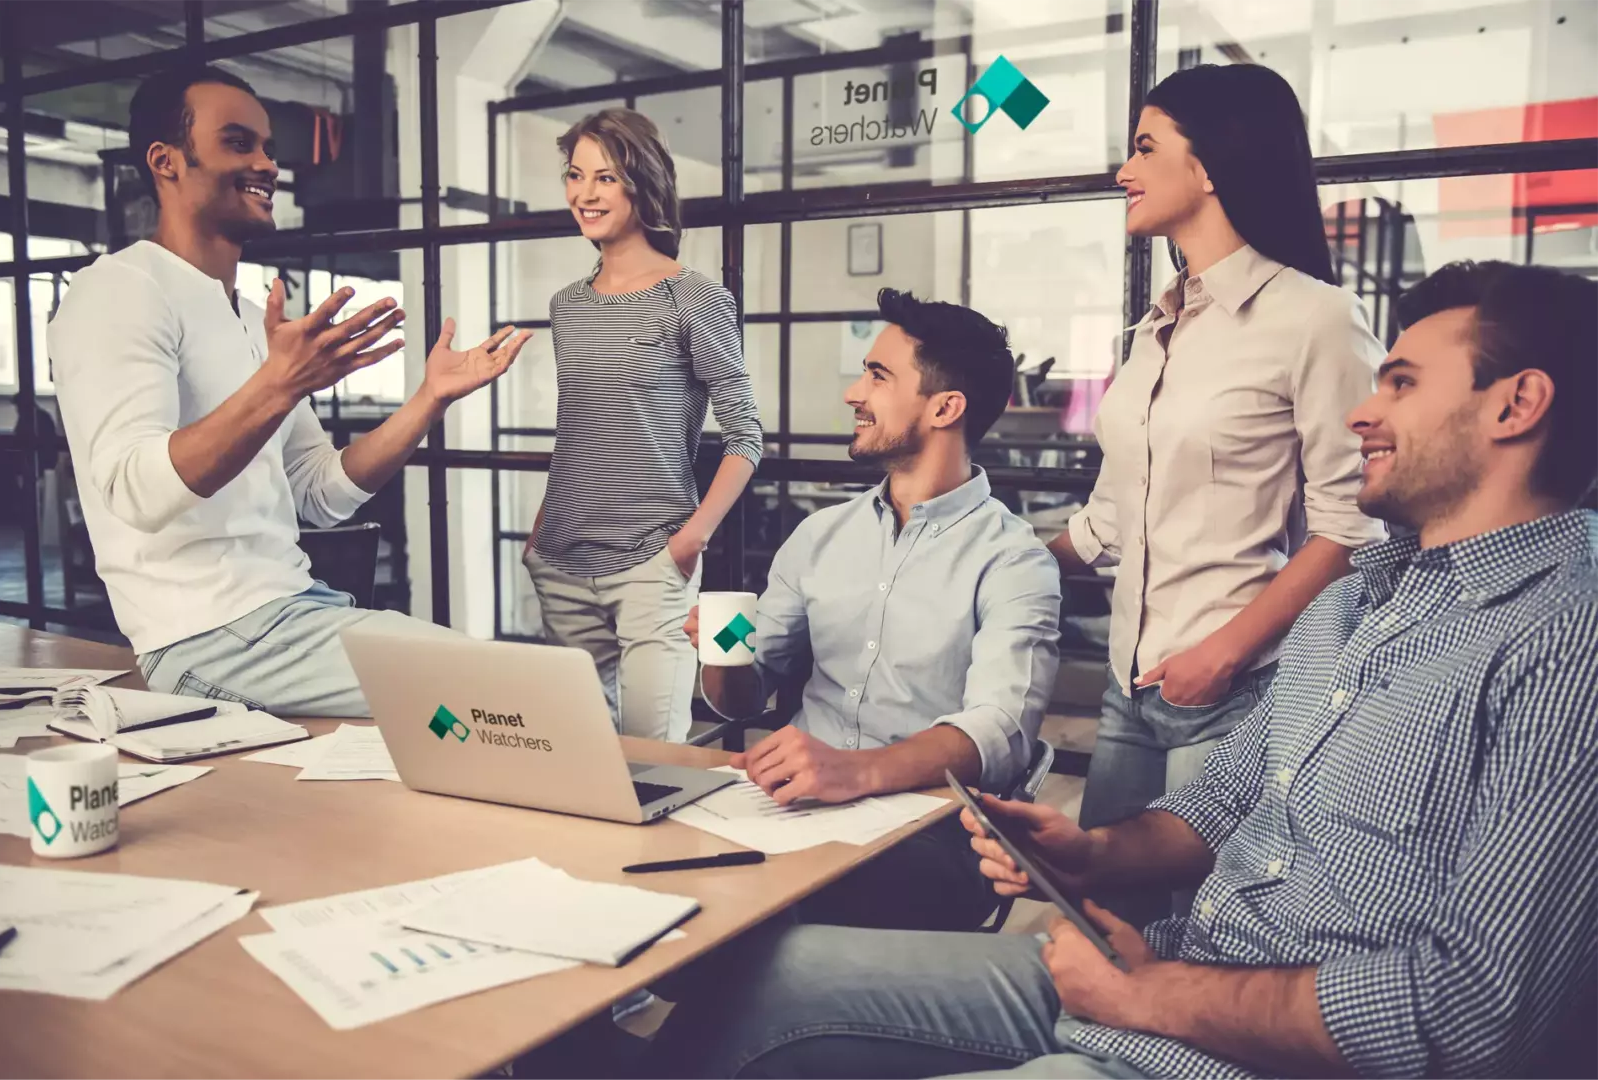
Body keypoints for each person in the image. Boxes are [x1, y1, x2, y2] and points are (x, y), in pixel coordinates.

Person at [643, 259, 1598, 1080]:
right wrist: (1087, 854)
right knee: (761, 976)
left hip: (1214, 1027)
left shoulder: (1564, 637)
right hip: (1160, 975)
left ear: (1515, 405)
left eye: (1396, 383)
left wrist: (1157, 992)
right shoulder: (1352, 601)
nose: (1360, 412)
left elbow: (1473, 1011)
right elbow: (1217, 810)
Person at [48, 66, 528, 715]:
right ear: (166, 162)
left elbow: (321, 494)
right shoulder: (119, 290)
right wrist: (277, 385)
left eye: (269, 147)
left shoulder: (247, 317)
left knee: (472, 728)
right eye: (239, 143)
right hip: (208, 637)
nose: (268, 164)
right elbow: (134, 491)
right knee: (508, 691)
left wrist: (427, 401)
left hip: (293, 610)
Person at [1048, 65, 1386, 923]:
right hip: (1129, 684)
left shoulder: (1313, 318)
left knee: (1199, 933)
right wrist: (978, 558)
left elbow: (1355, 529)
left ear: (1207, 168)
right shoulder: (1158, 326)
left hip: (1231, 690)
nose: (1123, 171)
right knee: (1101, 920)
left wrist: (1223, 654)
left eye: (1143, 147)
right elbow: (1109, 520)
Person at [686, 287, 1063, 932]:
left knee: (768, 920)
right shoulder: (819, 536)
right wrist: (726, 648)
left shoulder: (1016, 561)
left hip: (926, 827)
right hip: (788, 807)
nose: (853, 394)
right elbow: (743, 698)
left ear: (946, 407)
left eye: (878, 375)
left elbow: (1000, 731)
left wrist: (854, 772)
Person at [522, 108, 762, 743]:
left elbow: (745, 437)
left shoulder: (696, 298)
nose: (585, 193)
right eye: (576, 175)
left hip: (653, 564)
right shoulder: (566, 306)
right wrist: (542, 529)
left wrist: (690, 540)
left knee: (654, 761)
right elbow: (579, 426)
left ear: (642, 183)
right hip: (562, 562)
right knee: (579, 759)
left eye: (605, 177)